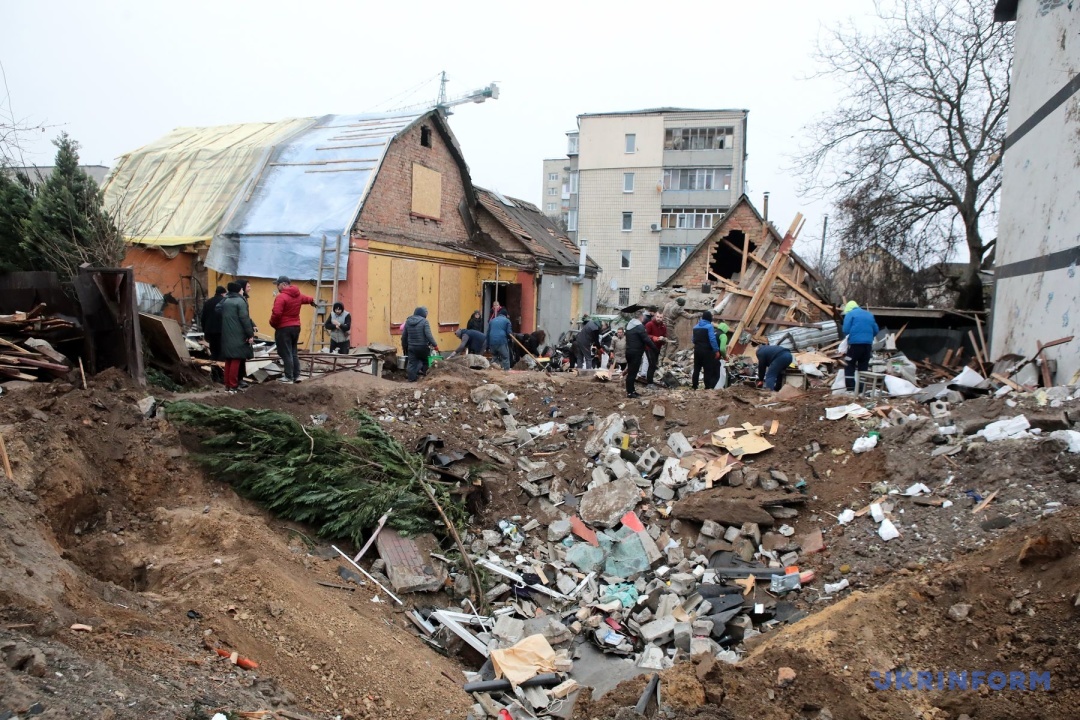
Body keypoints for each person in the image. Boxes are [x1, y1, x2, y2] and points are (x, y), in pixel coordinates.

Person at [269, 276, 316, 384]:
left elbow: (276, 313)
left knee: (286, 353)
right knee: (293, 352)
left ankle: (288, 377)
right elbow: (306, 298)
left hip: (284, 328)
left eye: (278, 284)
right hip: (296, 327)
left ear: (284, 284)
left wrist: (273, 324)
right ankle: (297, 375)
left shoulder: (281, 297)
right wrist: (312, 300)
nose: (277, 287)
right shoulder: (297, 294)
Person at [219, 282, 254, 394]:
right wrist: (250, 334)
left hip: (226, 334)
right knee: (236, 359)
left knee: (229, 359)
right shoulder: (240, 301)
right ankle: (234, 386)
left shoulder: (225, 301)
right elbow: (245, 319)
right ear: (239, 290)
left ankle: (227, 385)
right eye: (242, 290)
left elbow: (218, 309)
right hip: (238, 334)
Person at [842, 300, 879, 393]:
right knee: (863, 366)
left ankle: (851, 389)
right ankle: (862, 389)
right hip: (867, 345)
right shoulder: (869, 315)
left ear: (848, 309)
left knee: (849, 364)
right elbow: (876, 330)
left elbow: (845, 329)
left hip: (855, 344)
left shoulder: (850, 314)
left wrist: (852, 335)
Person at [624, 310, 657, 398]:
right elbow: (646, 339)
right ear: (641, 317)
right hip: (636, 352)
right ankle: (630, 393)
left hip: (629, 351)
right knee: (632, 373)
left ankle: (631, 390)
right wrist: (654, 348)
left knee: (631, 372)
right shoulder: (639, 326)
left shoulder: (629, 325)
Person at [402, 306, 438, 381]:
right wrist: (435, 345)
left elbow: (404, 335)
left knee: (412, 364)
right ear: (423, 314)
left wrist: (404, 345)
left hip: (411, 347)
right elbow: (428, 335)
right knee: (426, 361)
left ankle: (411, 380)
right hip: (423, 346)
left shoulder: (408, 321)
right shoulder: (424, 321)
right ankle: (425, 379)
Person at [692, 310, 721, 390]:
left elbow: (693, 340)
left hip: (697, 350)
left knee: (696, 368)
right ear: (709, 318)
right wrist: (716, 350)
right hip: (707, 351)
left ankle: (694, 386)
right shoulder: (709, 326)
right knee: (707, 368)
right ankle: (707, 387)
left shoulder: (695, 327)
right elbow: (712, 339)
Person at [660, 296, 696, 362]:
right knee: (675, 342)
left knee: (664, 342)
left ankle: (660, 360)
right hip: (669, 326)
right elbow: (689, 316)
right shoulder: (678, 308)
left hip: (662, 325)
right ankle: (667, 358)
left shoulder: (668, 304)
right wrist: (699, 314)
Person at [201, 286, 226, 360]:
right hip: (221, 330)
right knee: (221, 350)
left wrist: (204, 330)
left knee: (214, 351)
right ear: (223, 293)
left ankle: (213, 367)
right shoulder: (224, 301)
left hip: (210, 330)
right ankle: (220, 368)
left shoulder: (208, 302)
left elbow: (203, 317)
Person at [644, 313, 666, 384]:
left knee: (654, 365)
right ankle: (649, 383)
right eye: (657, 317)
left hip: (657, 348)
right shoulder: (649, 324)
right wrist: (653, 338)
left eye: (660, 317)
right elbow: (645, 336)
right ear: (655, 317)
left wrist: (663, 340)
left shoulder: (663, 326)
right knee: (652, 364)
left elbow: (664, 337)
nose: (659, 318)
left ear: (663, 318)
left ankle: (650, 380)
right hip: (649, 347)